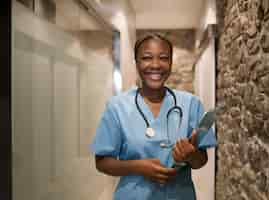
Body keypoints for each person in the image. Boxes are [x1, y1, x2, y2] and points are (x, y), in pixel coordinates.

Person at [90, 33, 217, 200]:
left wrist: (190, 155)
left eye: (164, 58)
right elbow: (102, 162)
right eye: (147, 58)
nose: (155, 65)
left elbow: (201, 161)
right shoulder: (117, 107)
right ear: (137, 63)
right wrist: (138, 167)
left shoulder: (191, 104)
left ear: (171, 63)